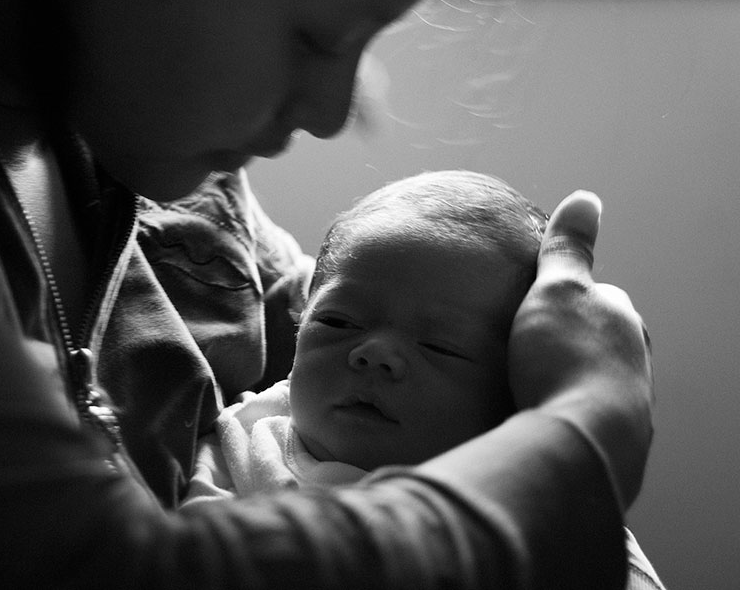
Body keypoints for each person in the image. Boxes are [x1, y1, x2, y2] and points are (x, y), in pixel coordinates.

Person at [0, 0, 654, 587]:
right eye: (316, 36)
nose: (331, 112)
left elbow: (386, 351)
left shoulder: (160, 153)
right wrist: (585, 432)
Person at [179, 170, 666, 589]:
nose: (374, 354)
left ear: (512, 396)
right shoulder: (246, 439)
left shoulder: (542, 509)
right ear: (300, 318)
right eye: (337, 322)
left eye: (440, 347)